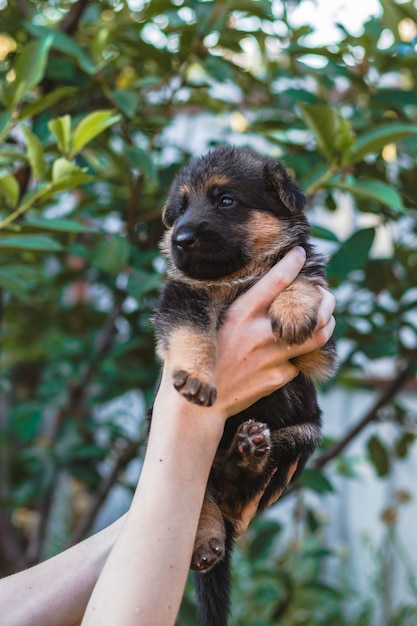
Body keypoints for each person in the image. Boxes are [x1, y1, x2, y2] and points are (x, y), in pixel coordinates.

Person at [1, 247, 336, 626]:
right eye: (178, 215)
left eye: (227, 202)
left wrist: (167, 517)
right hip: (210, 440)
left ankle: (212, 501)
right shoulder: (194, 283)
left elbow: (321, 361)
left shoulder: (293, 265)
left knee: (301, 435)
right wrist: (191, 412)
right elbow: (180, 326)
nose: (187, 230)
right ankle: (208, 502)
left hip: (268, 439)